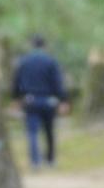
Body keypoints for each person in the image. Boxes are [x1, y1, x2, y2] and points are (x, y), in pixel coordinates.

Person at [11, 34, 69, 168]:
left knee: (32, 132)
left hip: (30, 100)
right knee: (49, 131)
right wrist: (63, 100)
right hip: (49, 101)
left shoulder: (24, 61)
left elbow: (17, 82)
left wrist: (15, 98)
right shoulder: (50, 61)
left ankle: (35, 161)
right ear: (44, 46)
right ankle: (50, 159)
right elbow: (58, 83)